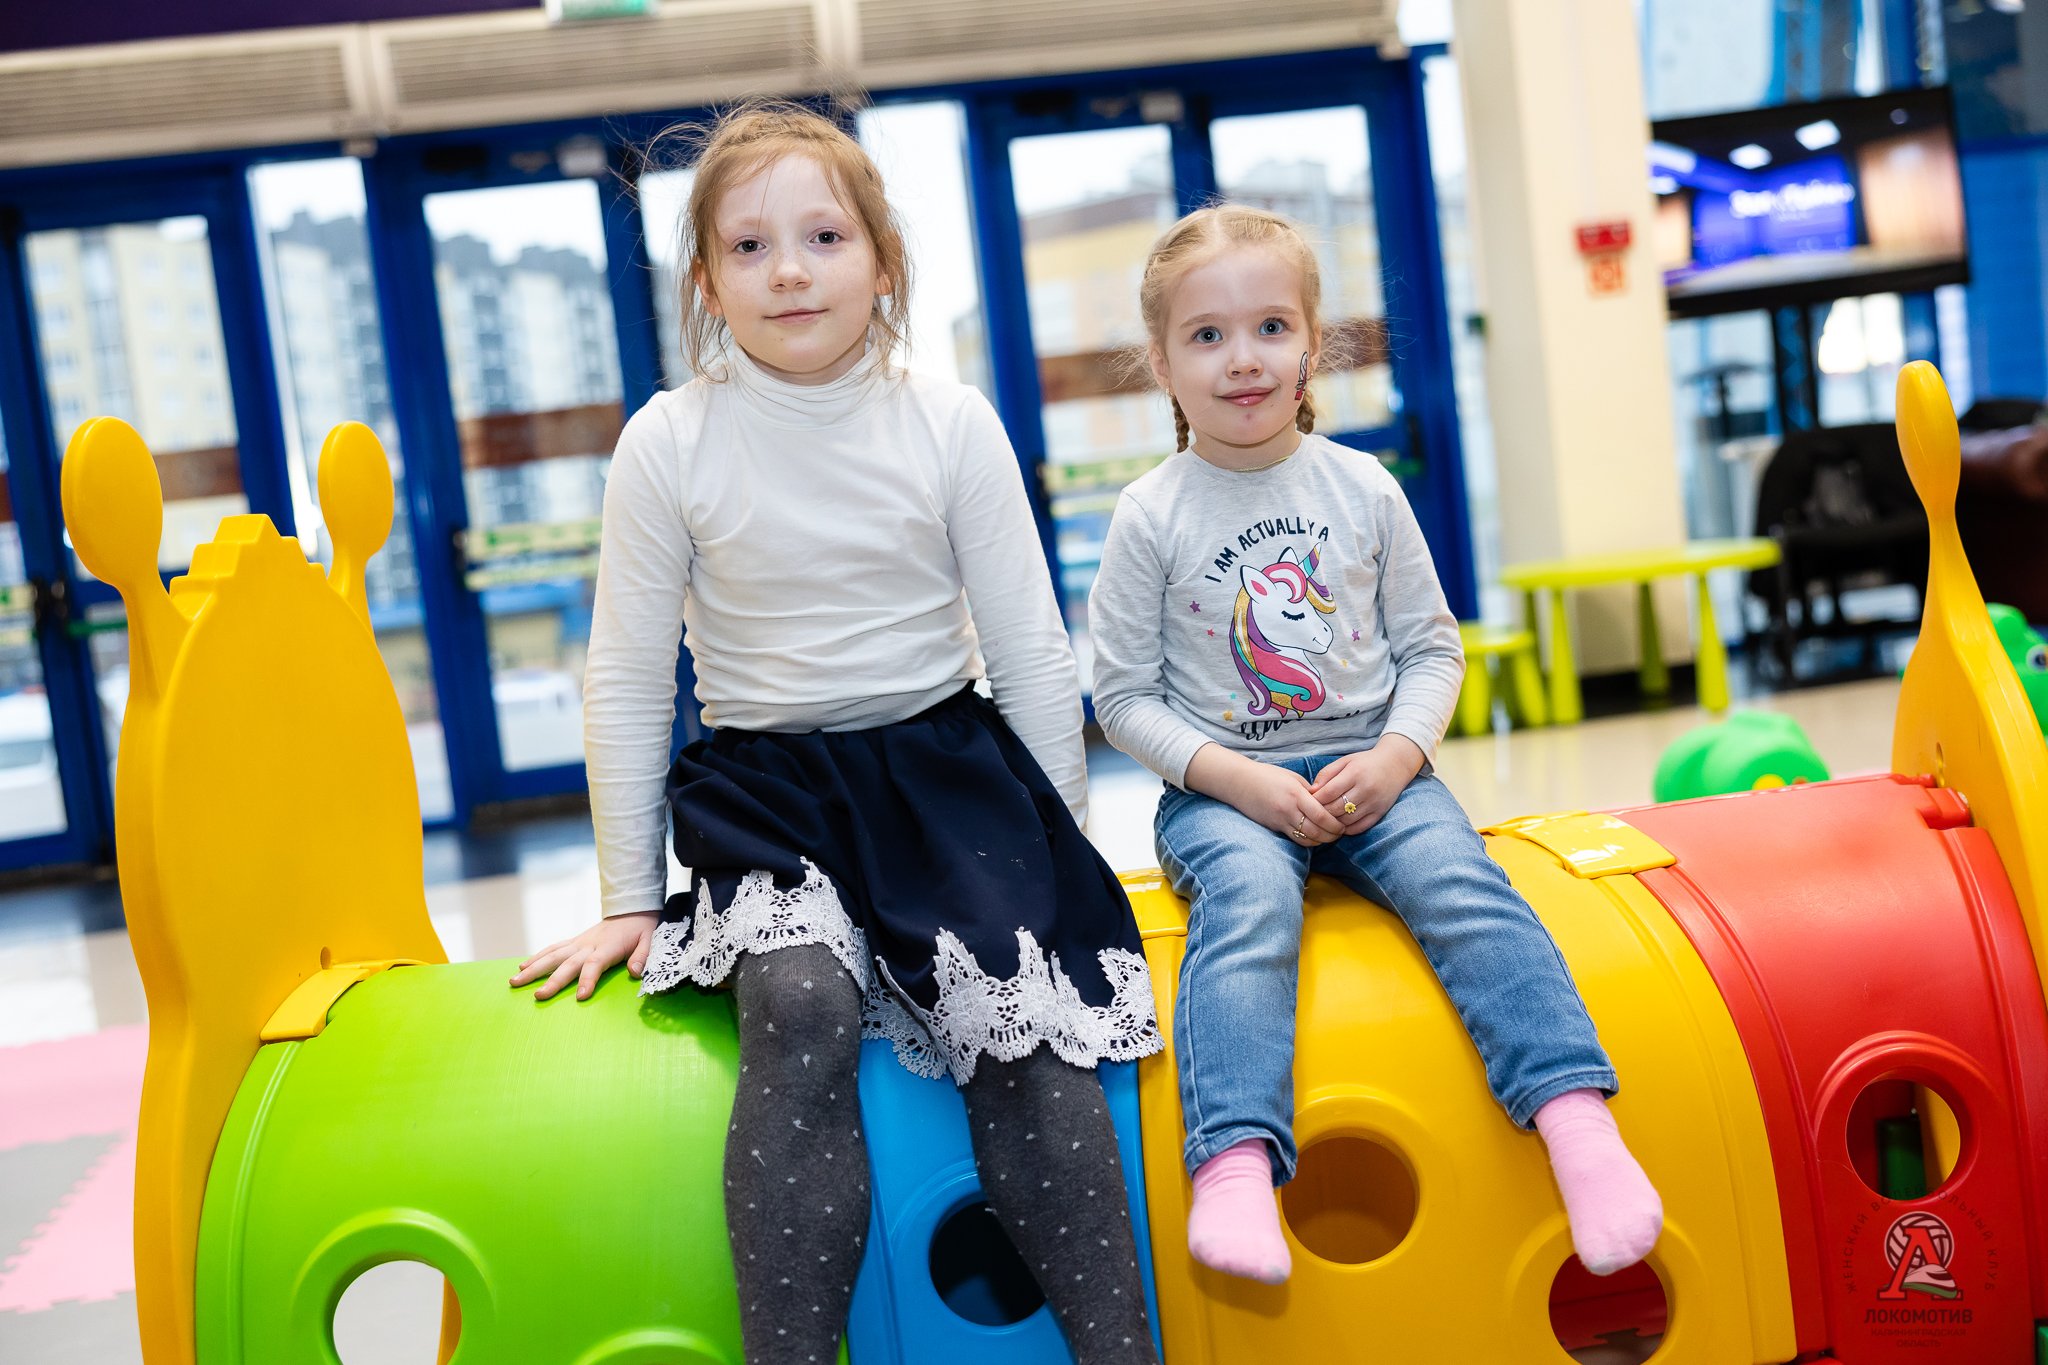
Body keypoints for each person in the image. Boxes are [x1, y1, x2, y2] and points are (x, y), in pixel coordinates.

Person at [512, 102, 1161, 1364]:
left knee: (1018, 1027)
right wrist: (627, 895)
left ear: (882, 259)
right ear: (705, 284)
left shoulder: (948, 420)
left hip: (943, 771)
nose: (790, 271)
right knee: (801, 1005)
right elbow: (629, 676)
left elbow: (1030, 650)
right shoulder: (668, 441)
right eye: (748, 248)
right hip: (769, 794)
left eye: (822, 237)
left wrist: (1060, 850)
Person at [1088, 203, 1662, 1286]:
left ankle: (1576, 1123)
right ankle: (1233, 1164)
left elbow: (1432, 650)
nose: (1242, 358)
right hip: (1224, 791)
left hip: (1378, 771)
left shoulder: (1361, 487)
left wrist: (1397, 758)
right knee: (1249, 909)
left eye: (1270, 327)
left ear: (1313, 345)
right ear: (1161, 364)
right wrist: (1240, 783)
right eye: (1206, 335)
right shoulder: (1149, 513)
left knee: (1464, 886)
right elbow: (1122, 699)